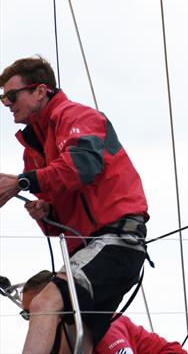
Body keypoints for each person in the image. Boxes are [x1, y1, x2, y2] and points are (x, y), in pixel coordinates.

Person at [0, 56, 149, 353]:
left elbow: (83, 165)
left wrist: (22, 182)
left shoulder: (75, 116)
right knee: (70, 341)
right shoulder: (34, 147)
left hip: (116, 241)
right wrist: (46, 211)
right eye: (3, 97)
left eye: (11, 95)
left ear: (41, 91)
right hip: (87, 247)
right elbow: (58, 213)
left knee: (45, 302)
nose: (6, 103)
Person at [22, 270, 186, 354]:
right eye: (27, 315)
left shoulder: (99, 326)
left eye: (35, 312)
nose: (31, 321)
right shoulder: (60, 336)